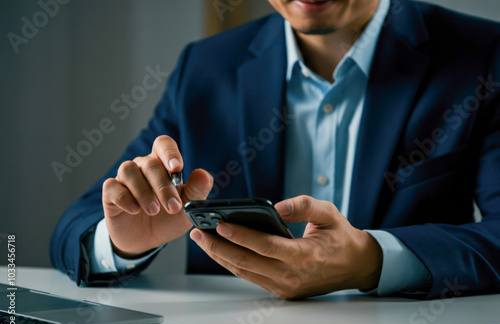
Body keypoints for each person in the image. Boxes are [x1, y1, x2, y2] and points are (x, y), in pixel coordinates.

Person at [50, 0, 500, 300]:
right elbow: (74, 228)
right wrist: (122, 243)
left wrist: (373, 260)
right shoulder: (206, 67)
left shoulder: (483, 54)